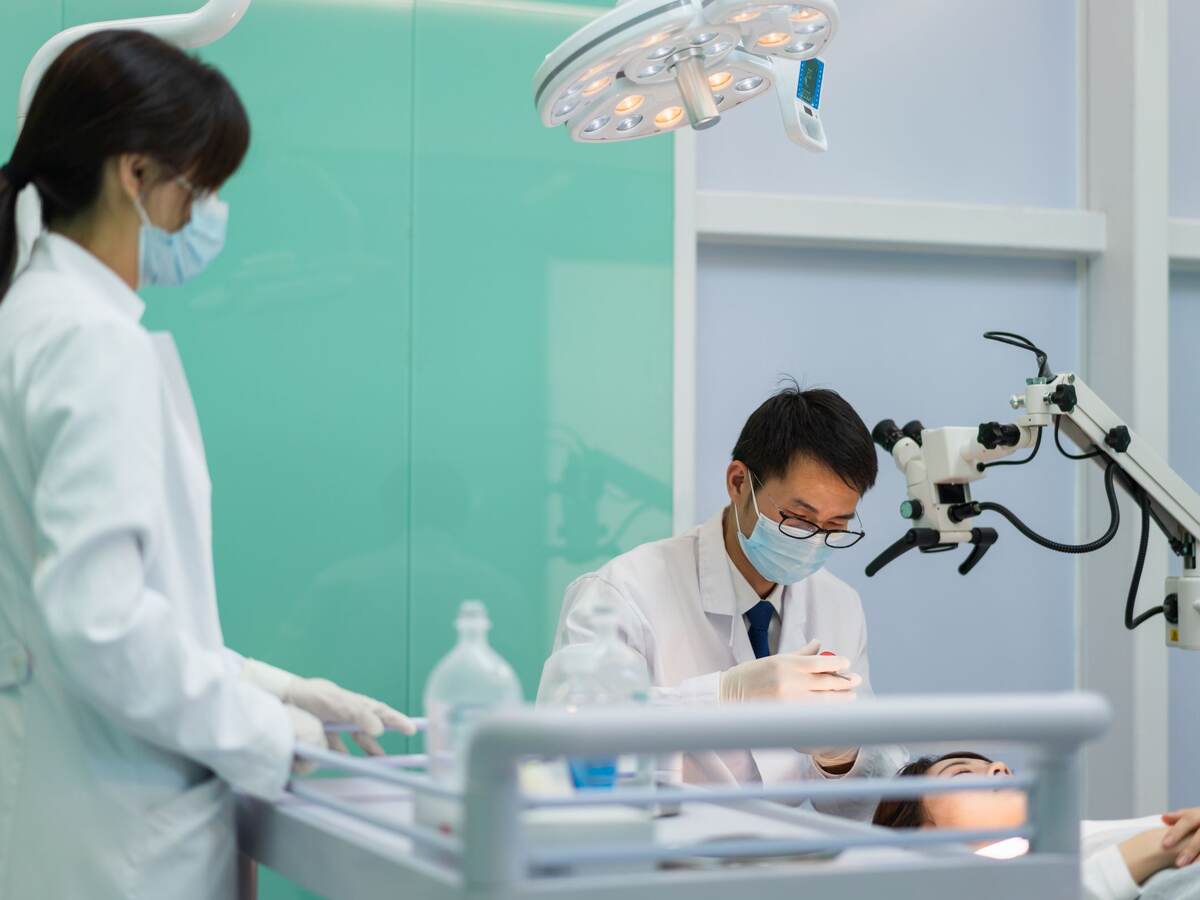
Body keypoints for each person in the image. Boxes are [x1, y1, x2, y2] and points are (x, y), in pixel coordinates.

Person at [0, 30, 413, 899]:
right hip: (122, 839)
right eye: (201, 185)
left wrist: (272, 682)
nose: (207, 213)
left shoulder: (30, 321)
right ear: (135, 174)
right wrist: (269, 731)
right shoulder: (88, 341)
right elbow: (99, 622)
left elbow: (90, 611)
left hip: (66, 815)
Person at [540, 383, 906, 819]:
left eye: (835, 526)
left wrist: (842, 755)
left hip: (779, 863)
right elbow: (569, 750)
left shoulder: (838, 605)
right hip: (653, 860)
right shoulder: (620, 593)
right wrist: (724, 696)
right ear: (738, 483)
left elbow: (865, 802)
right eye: (799, 518)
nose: (814, 540)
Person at [873, 752, 1200, 900]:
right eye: (962, 774)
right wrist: (1156, 847)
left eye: (995, 764)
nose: (999, 766)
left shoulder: (1061, 843)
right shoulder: (984, 885)